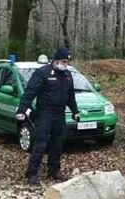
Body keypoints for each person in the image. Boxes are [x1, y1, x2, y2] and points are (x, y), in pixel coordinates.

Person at [16, 47, 80, 185]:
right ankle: (32, 173)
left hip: (59, 113)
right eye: (63, 61)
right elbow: (30, 92)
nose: (66, 64)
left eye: (67, 62)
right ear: (56, 60)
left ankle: (54, 170)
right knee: (41, 143)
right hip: (45, 113)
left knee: (58, 143)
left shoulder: (67, 75)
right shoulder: (42, 73)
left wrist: (75, 111)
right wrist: (21, 110)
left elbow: (70, 96)